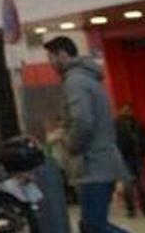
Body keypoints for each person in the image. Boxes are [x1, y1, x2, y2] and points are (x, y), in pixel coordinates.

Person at [46, 36, 130, 233]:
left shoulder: (74, 82)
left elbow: (83, 121)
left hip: (93, 165)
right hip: (100, 162)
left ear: (63, 54)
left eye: (51, 57)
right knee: (90, 225)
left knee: (94, 226)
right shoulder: (87, 78)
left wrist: (68, 141)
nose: (50, 62)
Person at [114, 103, 145, 219]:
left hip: (138, 157)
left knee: (143, 185)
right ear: (120, 111)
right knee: (128, 186)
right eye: (124, 110)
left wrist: (144, 150)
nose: (127, 112)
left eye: (129, 110)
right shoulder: (115, 126)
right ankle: (131, 209)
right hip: (124, 159)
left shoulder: (139, 125)